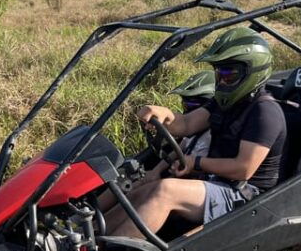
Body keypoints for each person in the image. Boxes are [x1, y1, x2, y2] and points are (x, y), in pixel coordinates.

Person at [106, 27, 287, 238]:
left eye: (229, 74)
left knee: (165, 191)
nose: (221, 81)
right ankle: (87, 241)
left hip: (245, 196)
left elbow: (243, 169)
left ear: (252, 71)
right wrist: (163, 115)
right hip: (218, 183)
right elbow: (186, 123)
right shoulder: (225, 104)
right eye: (219, 73)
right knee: (141, 191)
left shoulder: (264, 112)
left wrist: (196, 162)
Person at [144, 70, 215, 181]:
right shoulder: (192, 132)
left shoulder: (216, 135)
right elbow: (177, 151)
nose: (187, 109)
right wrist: (155, 171)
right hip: (179, 175)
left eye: (193, 104)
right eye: (185, 104)